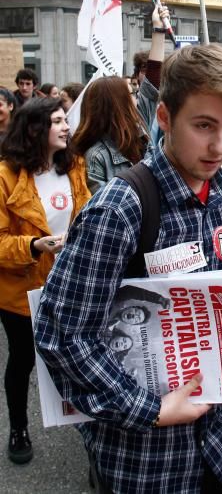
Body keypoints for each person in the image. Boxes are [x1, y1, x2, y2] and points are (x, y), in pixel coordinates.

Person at [35, 44, 222, 494]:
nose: (219, 146)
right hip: (150, 458)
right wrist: (148, 407)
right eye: (204, 126)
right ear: (165, 118)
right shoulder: (120, 209)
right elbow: (62, 334)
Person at [0, 98, 90, 464]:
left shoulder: (75, 166)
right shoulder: (5, 176)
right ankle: (18, 428)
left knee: (77, 359)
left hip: (70, 286)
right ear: (36, 128)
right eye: (58, 121)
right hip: (21, 292)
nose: (67, 127)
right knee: (22, 361)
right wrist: (35, 246)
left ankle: (92, 431)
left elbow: (87, 212)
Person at [72, 76, 149, 194]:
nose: (136, 99)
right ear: (117, 103)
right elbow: (103, 208)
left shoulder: (142, 138)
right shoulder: (95, 156)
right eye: (132, 94)